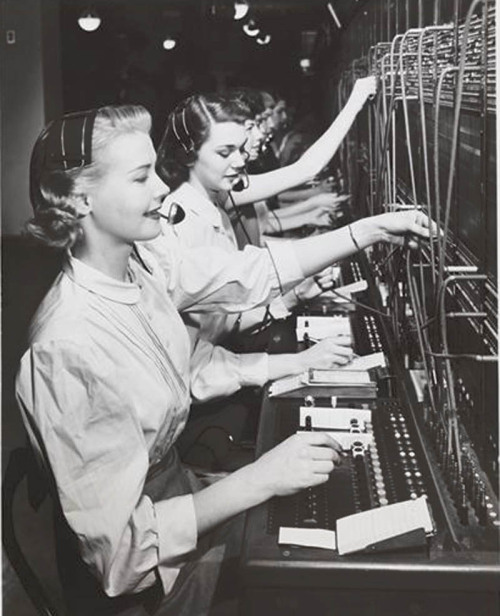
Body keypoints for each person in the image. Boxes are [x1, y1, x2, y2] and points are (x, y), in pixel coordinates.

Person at [16, 105, 432, 616]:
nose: (163, 188)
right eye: (142, 177)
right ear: (81, 198)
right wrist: (261, 478)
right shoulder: (66, 347)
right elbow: (121, 553)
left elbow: (221, 314)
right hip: (148, 588)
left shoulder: (138, 275)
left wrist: (365, 232)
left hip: (181, 505)